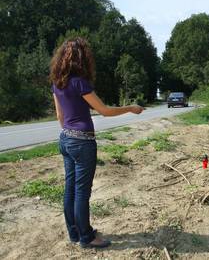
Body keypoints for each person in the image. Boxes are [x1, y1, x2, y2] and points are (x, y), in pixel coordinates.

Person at [49, 37, 144, 248]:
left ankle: (75, 234)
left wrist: (70, 133)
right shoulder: (79, 82)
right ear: (82, 58)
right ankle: (87, 237)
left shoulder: (57, 83)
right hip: (82, 143)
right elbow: (104, 111)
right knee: (82, 192)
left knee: (70, 189)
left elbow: (59, 116)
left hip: (65, 139)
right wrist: (130, 108)